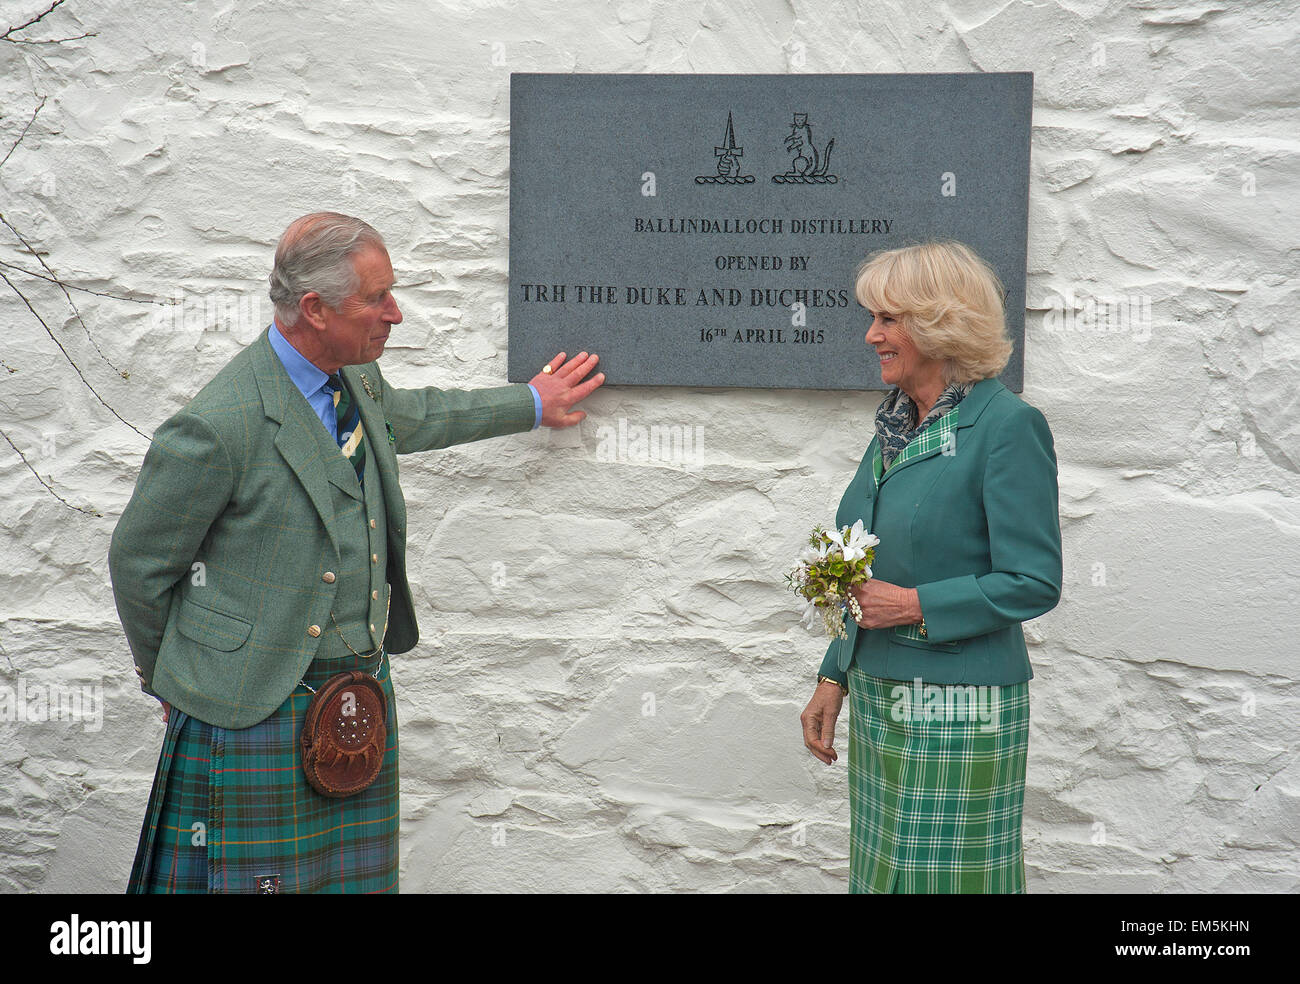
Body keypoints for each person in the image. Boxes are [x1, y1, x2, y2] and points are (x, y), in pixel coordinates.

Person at [109, 211, 604, 893]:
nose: (394, 313)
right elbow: (139, 563)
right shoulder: (219, 424)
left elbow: (419, 417)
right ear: (314, 309)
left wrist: (530, 401)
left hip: (356, 697)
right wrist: (176, 676)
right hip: (249, 708)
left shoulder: (355, 381)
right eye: (377, 298)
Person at [799, 240, 1062, 893]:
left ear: (938, 323)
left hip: (961, 709)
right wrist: (835, 676)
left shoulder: (1007, 427)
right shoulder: (892, 427)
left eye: (888, 319)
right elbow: (853, 562)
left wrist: (915, 605)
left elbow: (1035, 580)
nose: (872, 335)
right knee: (883, 880)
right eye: (874, 318)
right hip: (881, 699)